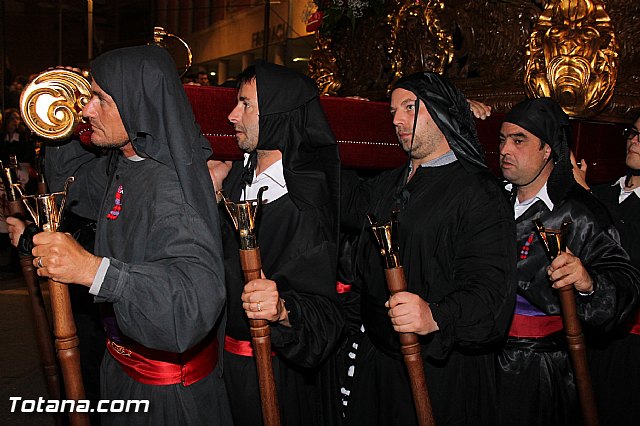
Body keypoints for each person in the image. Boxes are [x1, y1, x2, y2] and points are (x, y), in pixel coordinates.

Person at [25, 45, 231, 425]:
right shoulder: (128, 161)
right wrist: (57, 121)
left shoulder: (173, 188)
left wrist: (92, 270)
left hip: (168, 400)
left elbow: (190, 305)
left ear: (136, 102)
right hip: (123, 369)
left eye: (100, 99)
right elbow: (71, 190)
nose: (86, 109)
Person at [340, 71, 517, 425]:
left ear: (442, 111)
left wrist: (436, 315)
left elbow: (491, 293)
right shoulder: (387, 184)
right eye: (392, 112)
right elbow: (336, 198)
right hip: (378, 365)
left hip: (441, 371)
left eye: (410, 107)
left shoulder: (478, 191)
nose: (397, 120)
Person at [208, 62, 344, 426]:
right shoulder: (236, 177)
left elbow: (326, 318)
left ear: (277, 114)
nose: (232, 115)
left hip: (279, 375)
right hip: (225, 364)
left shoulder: (306, 201)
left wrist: (283, 310)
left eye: (245, 104)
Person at [496, 98, 640, 426]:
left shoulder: (577, 212)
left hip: (538, 371)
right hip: (476, 362)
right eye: (502, 139)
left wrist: (590, 283)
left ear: (547, 149)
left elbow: (625, 284)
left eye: (519, 141)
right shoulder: (488, 201)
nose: (506, 149)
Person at [572, 115, 640, 426]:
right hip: (585, 329)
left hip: (628, 344)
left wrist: (585, 197)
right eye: (634, 132)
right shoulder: (603, 193)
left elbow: (624, 257)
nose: (635, 140)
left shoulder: (594, 197)